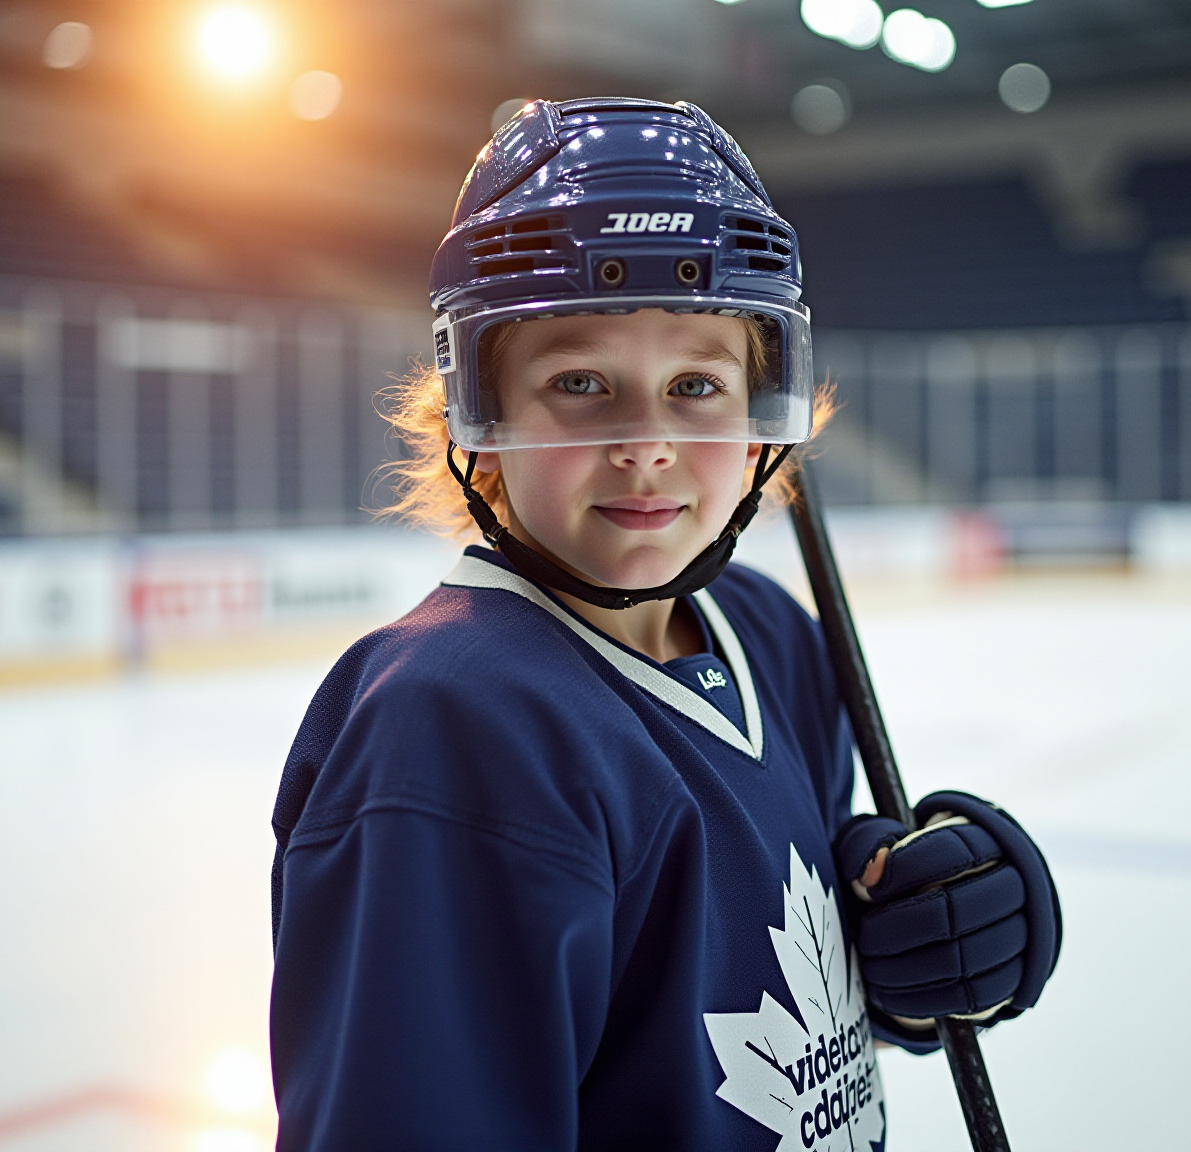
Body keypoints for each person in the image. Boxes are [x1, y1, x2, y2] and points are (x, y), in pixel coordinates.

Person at [269, 97, 1060, 1151]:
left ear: (759, 407)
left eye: (696, 384)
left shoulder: (767, 631)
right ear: (477, 415)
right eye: (579, 383)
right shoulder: (453, 728)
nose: (645, 444)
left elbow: (730, 995)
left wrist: (904, 936)